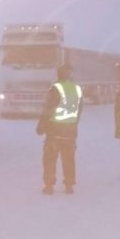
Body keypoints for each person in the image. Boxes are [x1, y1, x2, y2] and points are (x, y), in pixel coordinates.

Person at [36, 64, 83, 195]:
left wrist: (41, 125)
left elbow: (47, 110)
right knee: (69, 159)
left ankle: (49, 185)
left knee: (50, 158)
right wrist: (72, 123)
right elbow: (79, 110)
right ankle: (69, 185)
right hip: (70, 133)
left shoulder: (54, 89)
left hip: (54, 132)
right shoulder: (76, 89)